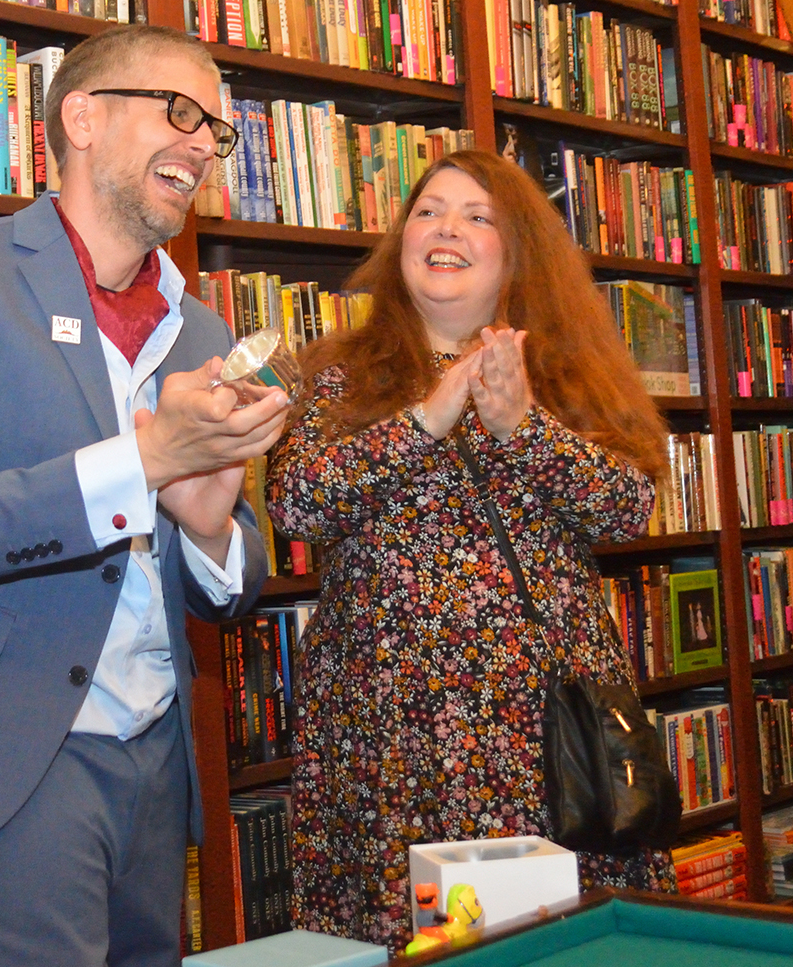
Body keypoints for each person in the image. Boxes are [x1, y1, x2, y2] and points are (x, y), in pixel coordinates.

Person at [0, 24, 289, 967]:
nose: (205, 144)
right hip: (7, 753)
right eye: (180, 112)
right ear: (80, 115)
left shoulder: (201, 326)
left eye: (218, 130)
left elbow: (233, 576)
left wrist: (209, 531)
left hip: (156, 756)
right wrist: (147, 459)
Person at [265, 149, 678, 952]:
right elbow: (296, 501)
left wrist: (521, 424)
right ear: (403, 240)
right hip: (383, 727)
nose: (447, 227)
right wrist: (422, 419)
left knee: (551, 940)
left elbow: (627, 508)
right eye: (429, 211)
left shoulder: (568, 371)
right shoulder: (338, 375)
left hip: (539, 728)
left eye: (477, 215)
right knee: (404, 937)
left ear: (516, 250)